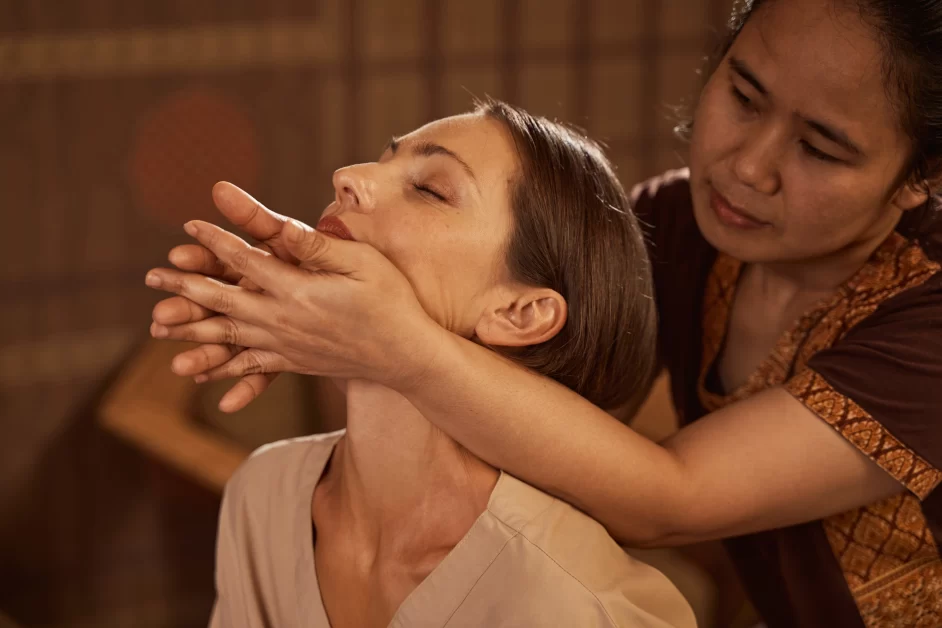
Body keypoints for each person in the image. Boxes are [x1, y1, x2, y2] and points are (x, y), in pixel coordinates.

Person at [147, 0, 942, 625]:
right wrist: (316, 316)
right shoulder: (685, 227)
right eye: (742, 94)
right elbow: (542, 384)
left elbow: (671, 496)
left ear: (920, 177)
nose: (747, 165)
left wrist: (388, 341)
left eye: (821, 148)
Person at [190, 101, 695, 627]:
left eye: (430, 189)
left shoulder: (571, 602)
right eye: (381, 160)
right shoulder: (263, 496)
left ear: (519, 312)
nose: (348, 177)